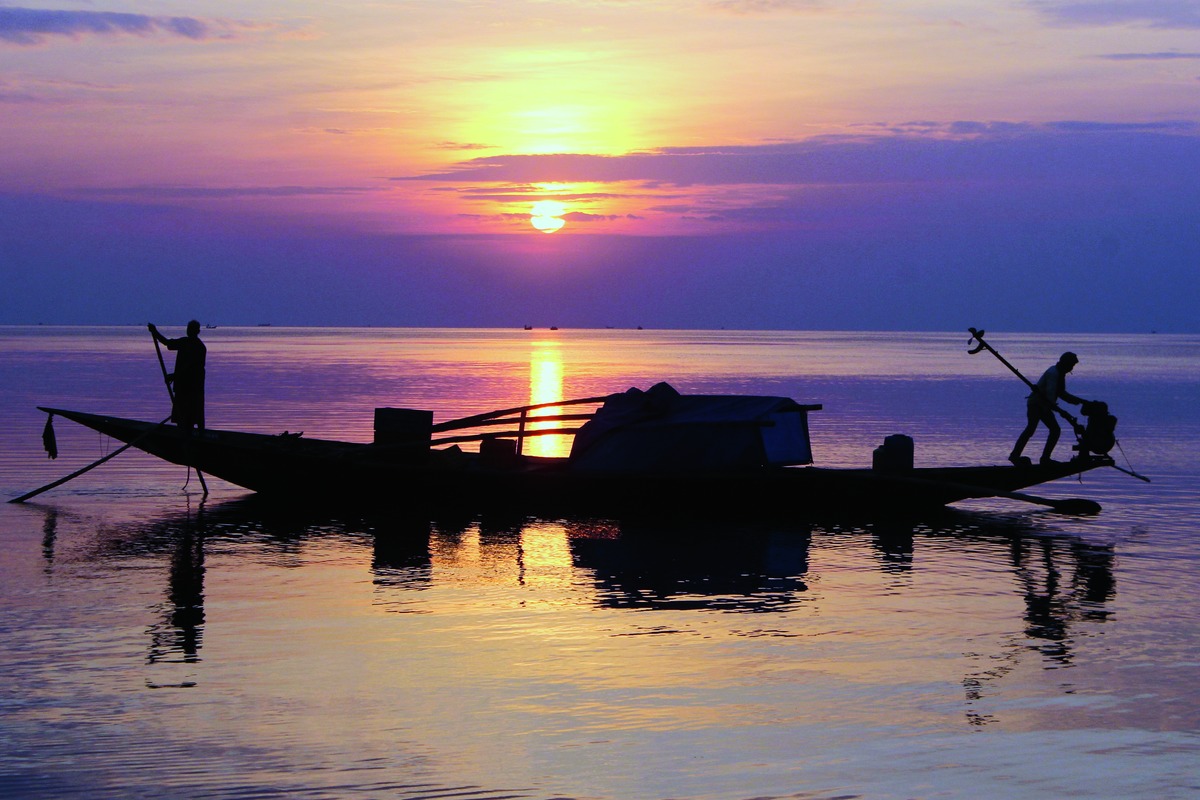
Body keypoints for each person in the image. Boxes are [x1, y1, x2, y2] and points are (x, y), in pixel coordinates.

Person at [1009, 351, 1086, 465]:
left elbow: (1061, 394)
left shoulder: (1060, 374)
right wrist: (1061, 411)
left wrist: (1081, 401)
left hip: (1044, 405)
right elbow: (1050, 396)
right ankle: (1015, 456)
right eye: (1071, 365)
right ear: (1065, 363)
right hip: (1036, 404)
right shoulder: (1053, 373)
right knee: (1032, 429)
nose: (1071, 368)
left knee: (1055, 430)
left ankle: (1045, 458)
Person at [149, 320, 206, 429]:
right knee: (184, 419)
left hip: (192, 389)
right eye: (188, 328)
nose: (188, 331)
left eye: (191, 329)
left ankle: (195, 438)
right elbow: (167, 343)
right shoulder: (185, 342)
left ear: (197, 331)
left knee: (193, 417)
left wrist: (174, 376)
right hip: (185, 388)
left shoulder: (199, 347)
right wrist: (154, 332)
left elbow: (190, 368)